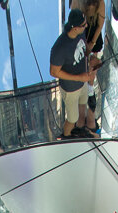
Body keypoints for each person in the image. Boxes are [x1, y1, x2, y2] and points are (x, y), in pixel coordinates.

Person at [50, 9, 98, 139]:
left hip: (82, 82)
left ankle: (78, 130)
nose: (86, 26)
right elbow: (54, 72)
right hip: (71, 89)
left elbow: (84, 49)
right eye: (83, 25)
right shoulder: (60, 47)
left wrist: (92, 57)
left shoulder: (80, 34)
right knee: (72, 118)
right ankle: (66, 136)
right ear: (75, 28)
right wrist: (78, 77)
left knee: (83, 104)